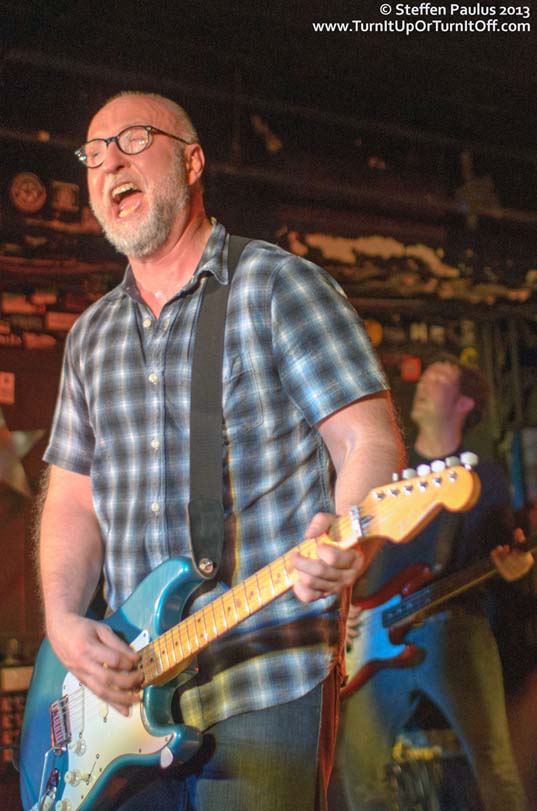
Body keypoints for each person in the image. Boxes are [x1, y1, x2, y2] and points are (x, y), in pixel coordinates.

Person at [37, 92, 405, 811]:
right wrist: (61, 619)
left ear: (192, 160)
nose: (107, 159)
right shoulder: (90, 336)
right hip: (126, 700)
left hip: (264, 680)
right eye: (92, 152)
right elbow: (71, 501)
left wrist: (346, 534)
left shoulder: (278, 285)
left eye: (132, 139)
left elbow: (370, 437)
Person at [330, 355, 534, 811]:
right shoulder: (385, 471)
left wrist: (513, 575)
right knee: (360, 771)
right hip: (371, 635)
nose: (423, 381)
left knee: (496, 767)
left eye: (439, 377)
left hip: (453, 628)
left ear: (464, 403)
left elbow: (499, 559)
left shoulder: (485, 478)